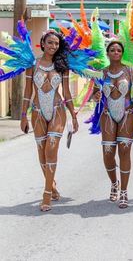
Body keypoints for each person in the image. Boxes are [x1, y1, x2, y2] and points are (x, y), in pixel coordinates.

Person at [20, 30, 78, 212]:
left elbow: (66, 93)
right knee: (42, 152)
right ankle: (51, 184)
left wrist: (73, 115)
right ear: (42, 43)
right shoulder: (33, 64)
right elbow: (28, 92)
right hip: (37, 112)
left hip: (57, 111)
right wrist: (23, 116)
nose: (53, 46)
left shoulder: (62, 65)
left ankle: (46, 195)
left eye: (56, 44)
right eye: (50, 43)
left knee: (51, 148)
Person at [92, 41, 133, 209]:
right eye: (112, 50)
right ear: (107, 53)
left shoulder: (131, 71)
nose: (115, 52)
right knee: (107, 153)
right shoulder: (101, 73)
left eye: (119, 50)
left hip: (127, 114)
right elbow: (95, 94)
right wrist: (96, 95)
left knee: (124, 151)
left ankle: (124, 192)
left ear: (122, 53)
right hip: (107, 115)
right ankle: (114, 183)